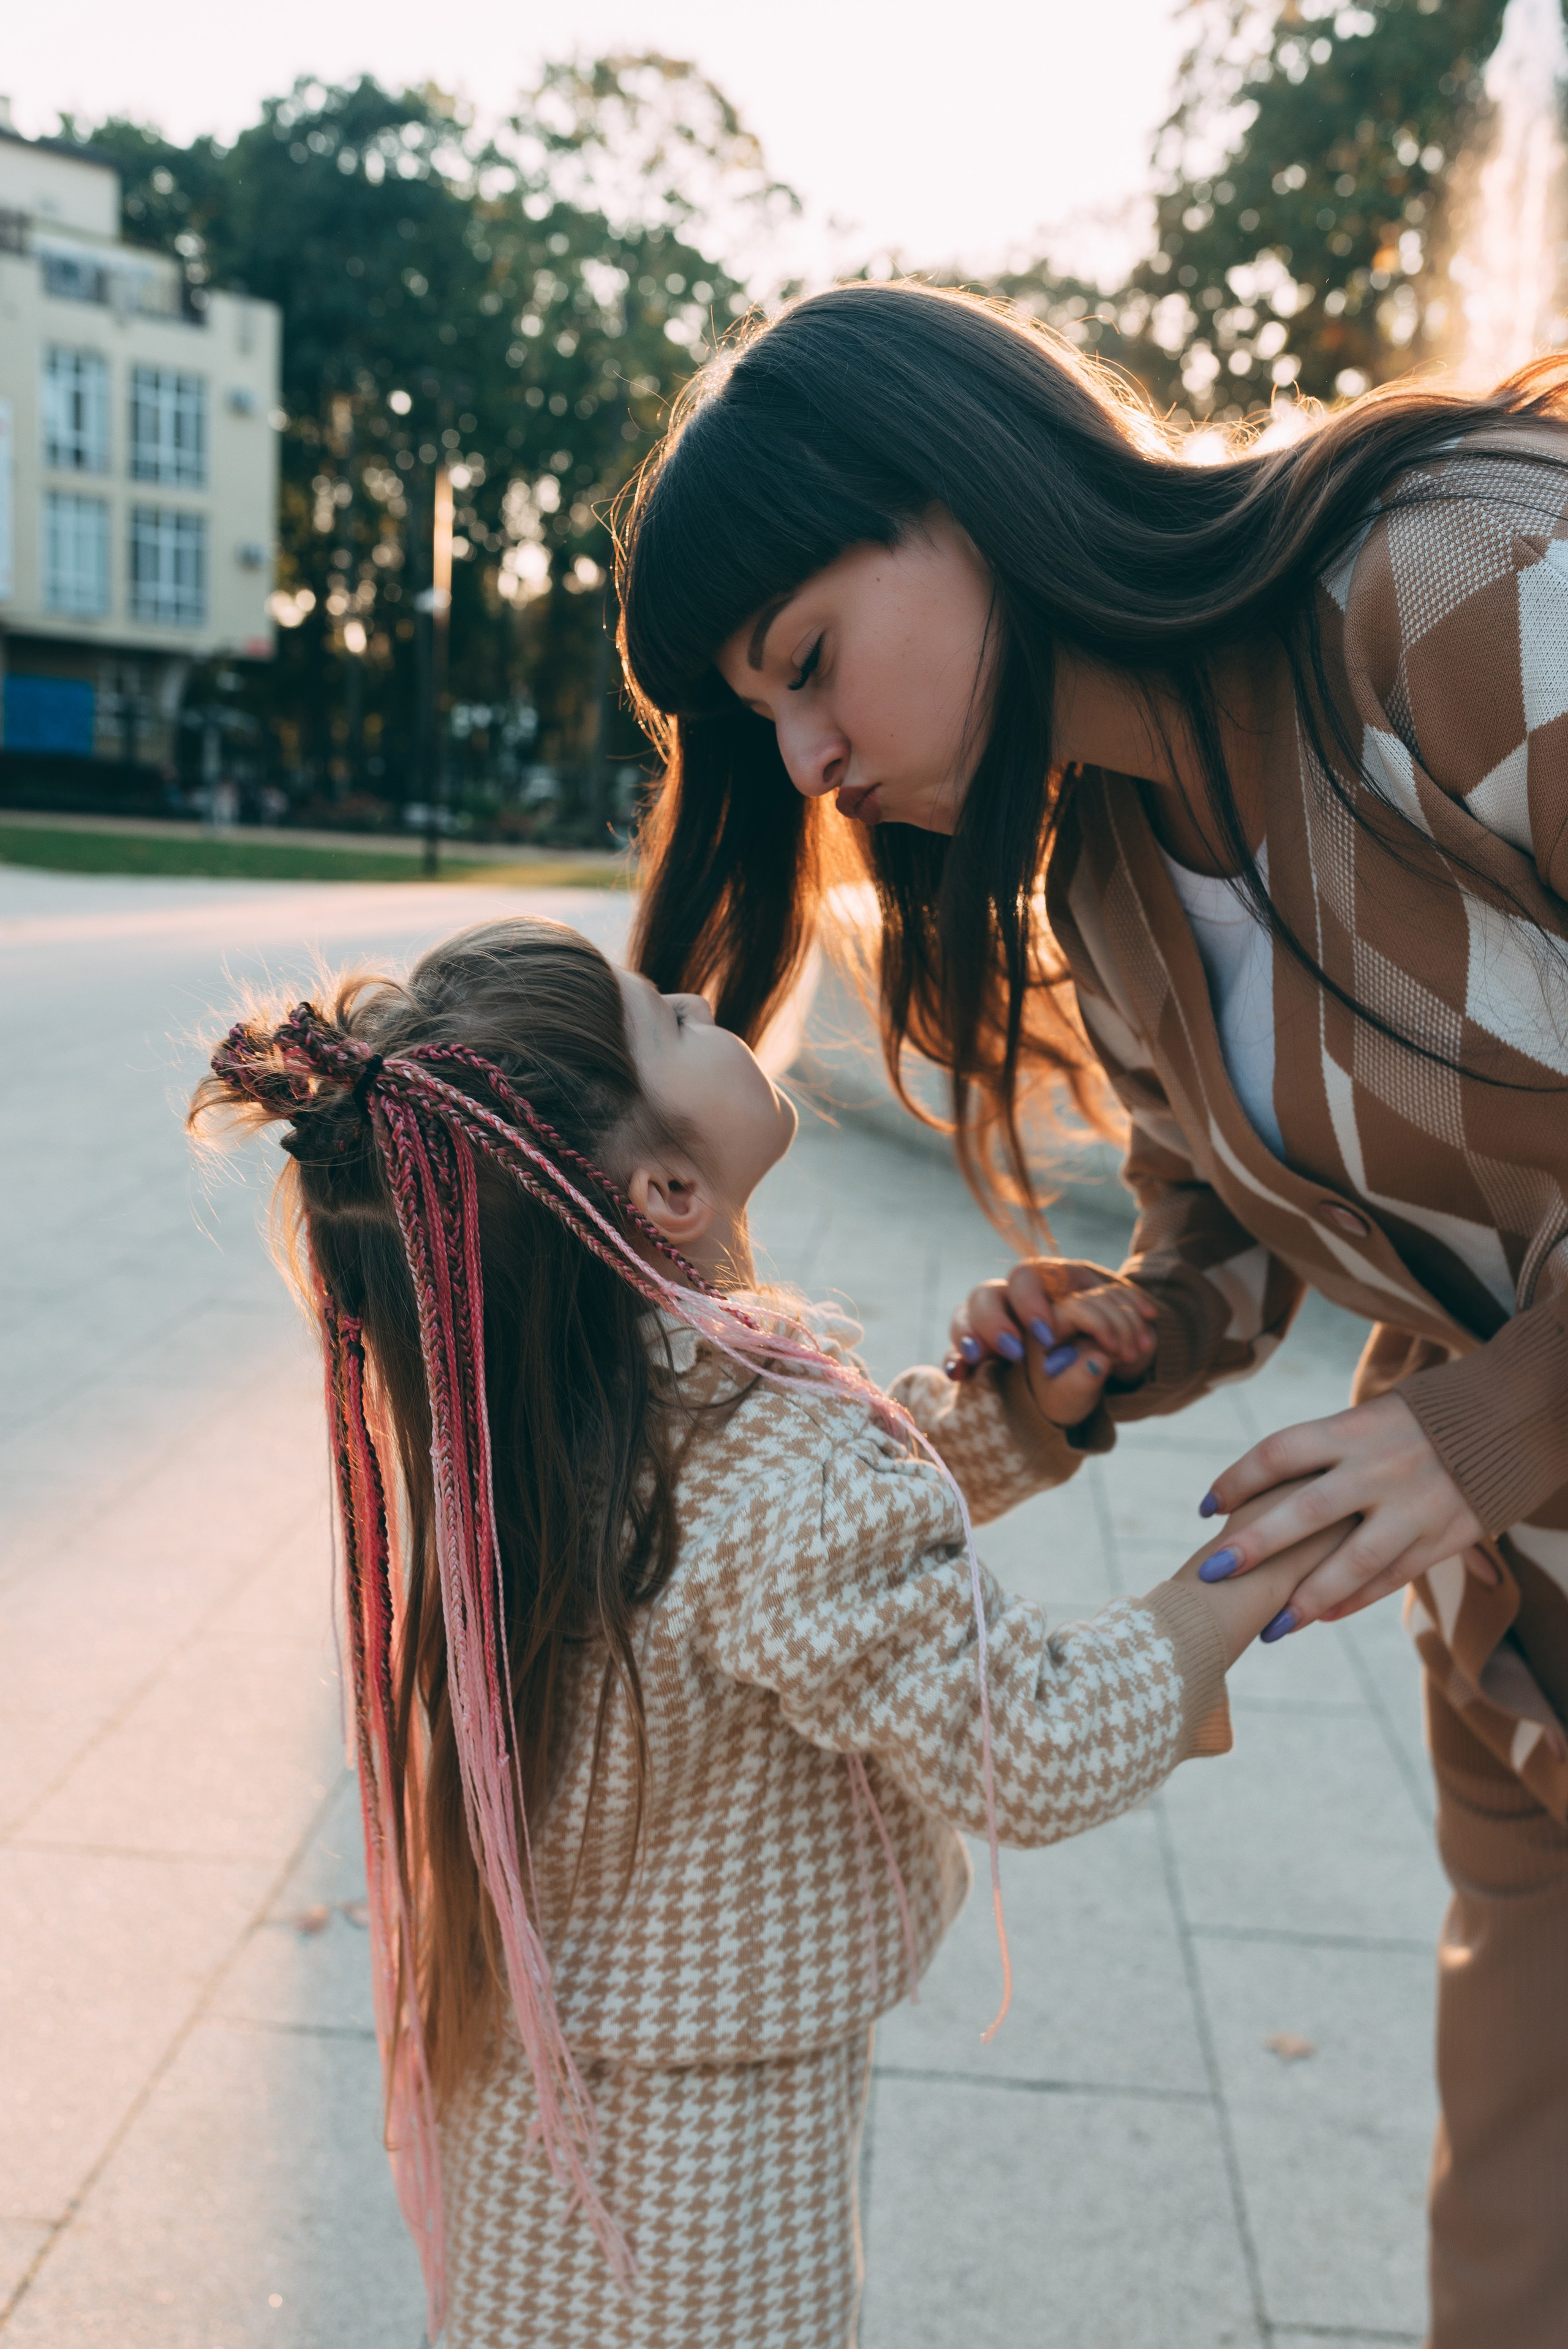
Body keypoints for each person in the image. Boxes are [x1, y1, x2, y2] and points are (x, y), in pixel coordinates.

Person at [615, 279, 1568, 2348]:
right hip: (1515, 1637)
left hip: (1483, 1496)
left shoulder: (1458, 587)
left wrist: (1489, 1426)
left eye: (806, 667)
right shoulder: (1110, 876)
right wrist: (1145, 1323)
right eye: (768, 720)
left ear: (959, 498)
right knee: (1514, 2264)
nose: (809, 757)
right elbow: (1236, 1224)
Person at [190, 915, 1333, 2349]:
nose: (693, 997)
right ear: (666, 1188)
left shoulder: (538, 1416)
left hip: (548, 2071)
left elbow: (740, 1558)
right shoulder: (757, 1445)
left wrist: (1001, 1421)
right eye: (665, 1019)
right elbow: (1027, 1742)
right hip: (709, 2140)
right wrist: (1253, 1566)